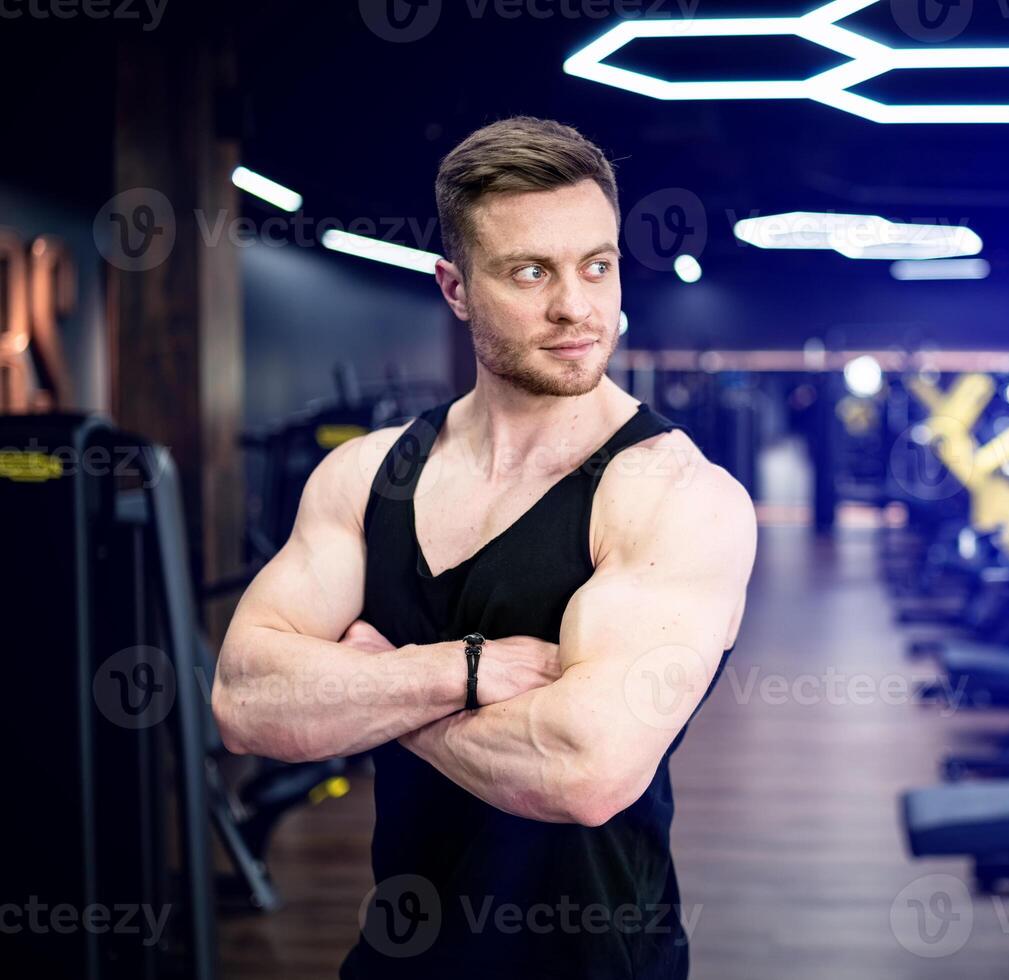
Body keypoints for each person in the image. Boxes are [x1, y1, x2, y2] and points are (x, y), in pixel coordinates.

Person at [212, 116, 757, 978]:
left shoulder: (677, 497)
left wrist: (370, 689)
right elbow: (244, 702)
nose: (577, 306)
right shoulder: (366, 477)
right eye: (530, 271)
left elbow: (586, 769)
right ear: (456, 288)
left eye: (598, 265)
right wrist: (457, 671)